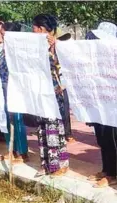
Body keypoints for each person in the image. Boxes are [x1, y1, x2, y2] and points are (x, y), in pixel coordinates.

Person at [84, 22, 117, 188]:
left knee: (110, 138)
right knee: (100, 137)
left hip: (111, 103)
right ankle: (105, 169)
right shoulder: (97, 55)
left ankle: (112, 174)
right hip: (98, 100)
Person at [32, 14, 69, 177]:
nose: (33, 31)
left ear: (40, 28)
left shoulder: (58, 45)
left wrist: (54, 48)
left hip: (54, 92)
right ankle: (45, 163)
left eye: (34, 27)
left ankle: (59, 165)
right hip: (40, 92)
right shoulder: (34, 46)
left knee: (54, 128)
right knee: (42, 128)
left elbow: (66, 68)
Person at [0, 22, 29, 163]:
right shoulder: (2, 51)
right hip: (2, 88)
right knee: (7, 119)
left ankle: (22, 153)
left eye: (2, 33)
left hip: (15, 89)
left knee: (18, 120)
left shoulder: (17, 52)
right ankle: (11, 150)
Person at [55, 28, 75, 143]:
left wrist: (64, 84)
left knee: (65, 107)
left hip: (63, 82)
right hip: (54, 81)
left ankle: (67, 133)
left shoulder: (66, 52)